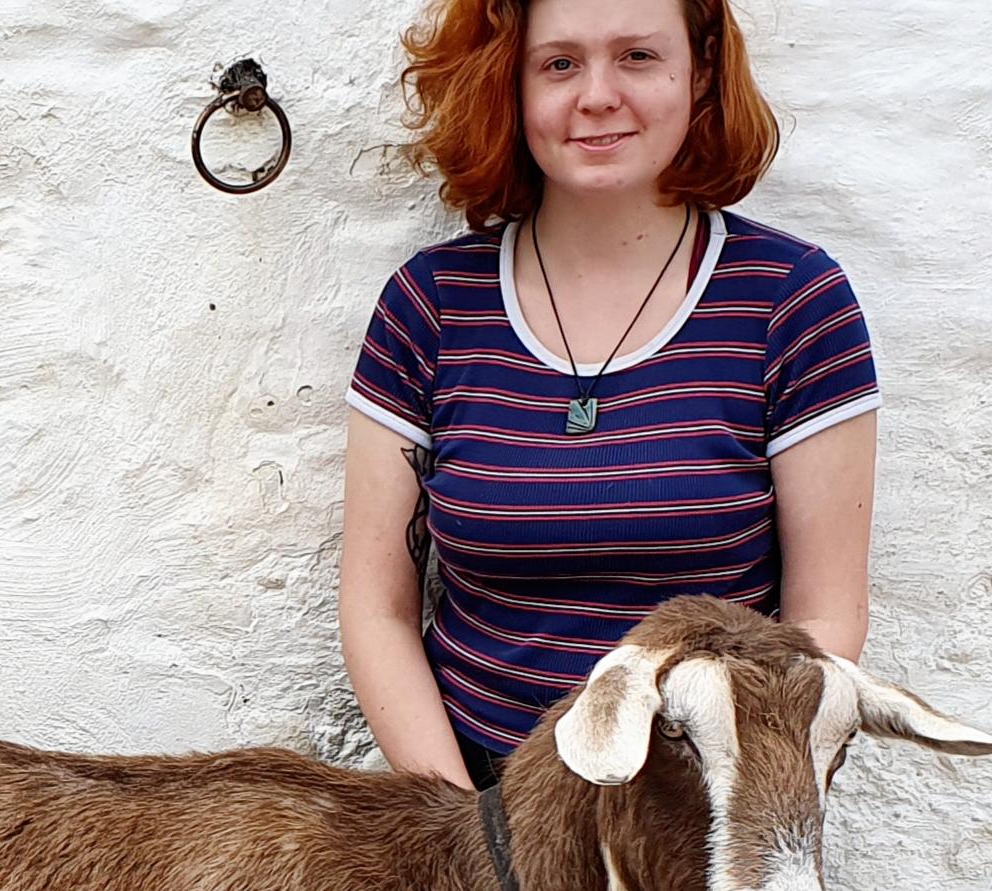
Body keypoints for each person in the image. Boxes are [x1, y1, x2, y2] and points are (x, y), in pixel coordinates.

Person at [337, 0, 876, 790]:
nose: (596, 95)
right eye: (558, 63)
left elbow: (823, 620)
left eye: (636, 57)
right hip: (474, 795)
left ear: (697, 76)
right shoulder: (433, 306)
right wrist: (466, 830)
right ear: (509, 88)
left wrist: (721, 809)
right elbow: (375, 607)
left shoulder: (790, 302)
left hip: (699, 806)